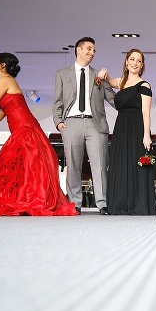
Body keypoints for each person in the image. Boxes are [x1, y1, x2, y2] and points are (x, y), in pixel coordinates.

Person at [0, 53, 78, 216]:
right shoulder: (5, 81)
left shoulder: (5, 80)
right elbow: (3, 110)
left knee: (26, 167)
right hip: (21, 128)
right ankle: (24, 198)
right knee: (20, 167)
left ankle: (28, 199)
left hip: (25, 128)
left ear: (3, 64)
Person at [52, 37, 116, 215]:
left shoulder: (99, 76)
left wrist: (128, 91)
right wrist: (59, 123)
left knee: (100, 165)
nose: (92, 53)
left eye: (94, 50)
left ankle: (102, 203)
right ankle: (75, 203)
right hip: (71, 123)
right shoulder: (62, 74)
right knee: (73, 165)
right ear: (78, 50)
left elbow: (113, 100)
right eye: (88, 49)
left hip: (95, 124)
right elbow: (57, 102)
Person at [101, 49, 156, 215]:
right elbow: (108, 81)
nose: (135, 63)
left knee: (136, 165)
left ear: (142, 65)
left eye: (138, 61)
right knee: (121, 163)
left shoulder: (144, 85)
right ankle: (120, 204)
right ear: (126, 62)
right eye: (132, 59)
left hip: (137, 127)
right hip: (121, 128)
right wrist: (105, 73)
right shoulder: (121, 82)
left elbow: (146, 113)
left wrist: (146, 135)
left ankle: (137, 205)